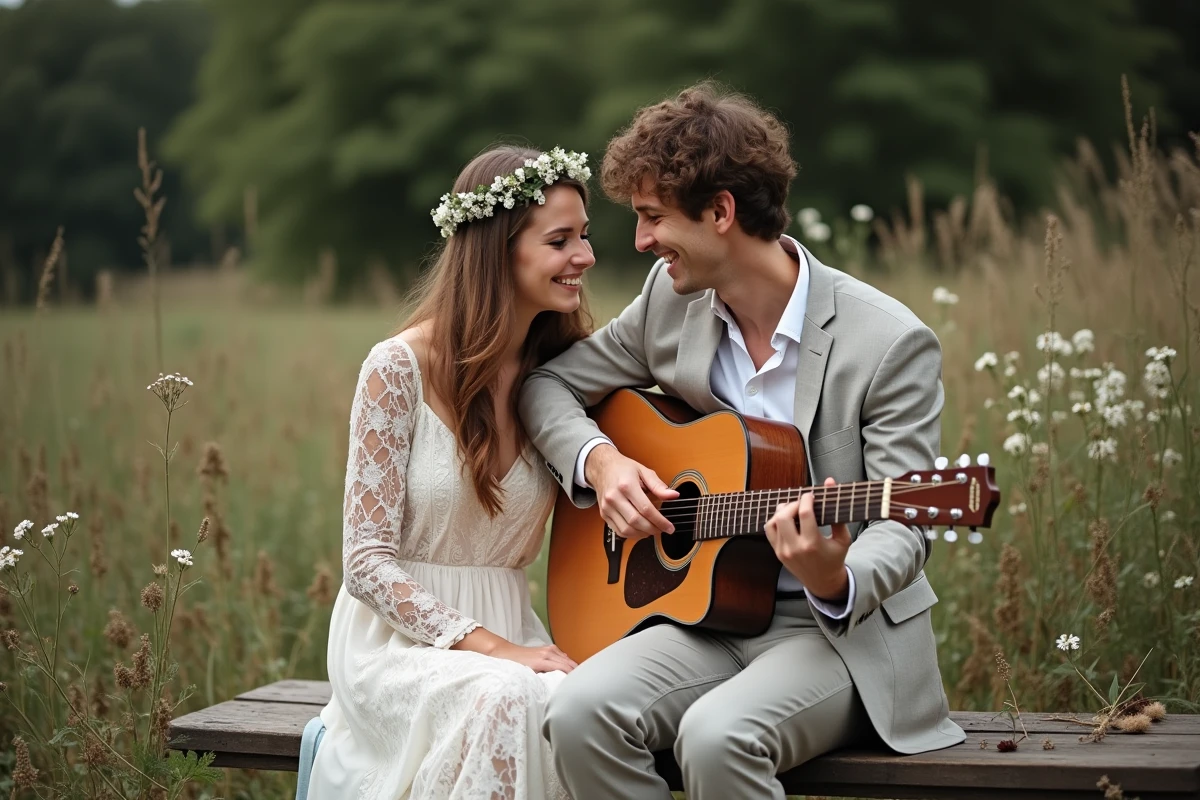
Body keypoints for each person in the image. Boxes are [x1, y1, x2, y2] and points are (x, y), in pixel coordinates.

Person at [518, 83, 965, 800]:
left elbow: (905, 522)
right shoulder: (670, 305)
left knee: (717, 737)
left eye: (652, 217)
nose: (637, 243)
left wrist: (834, 575)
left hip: (831, 634)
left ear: (721, 212)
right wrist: (602, 464)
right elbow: (547, 387)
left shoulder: (886, 342)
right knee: (576, 711)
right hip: (705, 614)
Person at [307, 144, 594, 800]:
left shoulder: (569, 373)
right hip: (395, 646)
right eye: (561, 240)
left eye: (585, 236)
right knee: (504, 693)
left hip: (516, 628)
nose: (585, 257)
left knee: (571, 704)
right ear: (498, 248)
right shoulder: (397, 367)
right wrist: (491, 648)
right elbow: (366, 562)